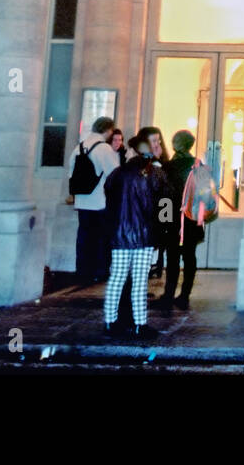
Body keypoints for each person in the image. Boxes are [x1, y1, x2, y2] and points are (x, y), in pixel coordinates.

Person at [103, 133, 166, 337]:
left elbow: (109, 200)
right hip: (145, 235)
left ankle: (110, 322)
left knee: (117, 279)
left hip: (119, 234)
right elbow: (165, 205)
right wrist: (164, 230)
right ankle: (141, 324)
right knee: (139, 281)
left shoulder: (116, 173)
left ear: (133, 152)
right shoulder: (156, 174)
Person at [73, 116, 120, 284]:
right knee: (101, 239)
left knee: (84, 238)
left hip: (82, 201)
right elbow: (115, 175)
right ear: (108, 130)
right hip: (100, 202)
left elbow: (71, 173)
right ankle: (99, 271)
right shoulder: (104, 149)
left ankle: (82, 271)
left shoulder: (79, 147)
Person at [159, 129, 200, 311]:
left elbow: (164, 198)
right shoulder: (198, 166)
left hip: (173, 219)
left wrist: (163, 221)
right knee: (190, 257)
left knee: (173, 258)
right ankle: (185, 295)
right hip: (191, 218)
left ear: (176, 144)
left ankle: (168, 295)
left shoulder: (168, 167)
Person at [139, 126, 170, 279]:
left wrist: (166, 218)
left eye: (158, 140)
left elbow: (165, 195)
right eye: (153, 141)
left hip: (156, 213)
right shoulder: (143, 166)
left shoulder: (160, 165)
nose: (157, 144)